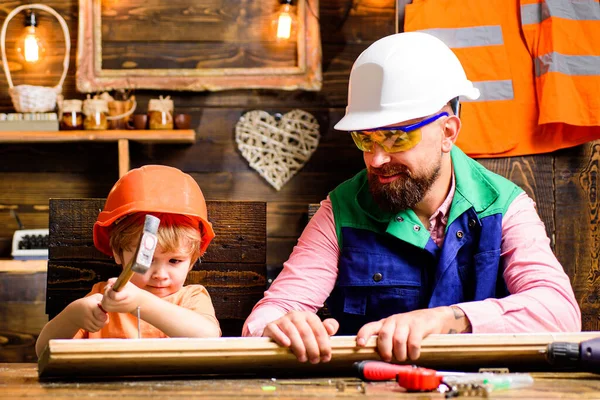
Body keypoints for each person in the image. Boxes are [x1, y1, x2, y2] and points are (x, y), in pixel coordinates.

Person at [242, 32, 581, 364]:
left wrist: (450, 320)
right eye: (365, 139)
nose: (376, 159)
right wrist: (282, 325)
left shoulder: (504, 205)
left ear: (447, 132)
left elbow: (560, 313)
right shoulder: (341, 210)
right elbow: (266, 318)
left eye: (395, 139)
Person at [36, 165, 221, 357]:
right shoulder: (101, 299)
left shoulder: (191, 298)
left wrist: (141, 303)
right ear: (118, 252)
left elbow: (209, 338)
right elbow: (42, 351)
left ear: (191, 261)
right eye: (147, 260)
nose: (160, 275)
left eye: (174, 261)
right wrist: (72, 317)